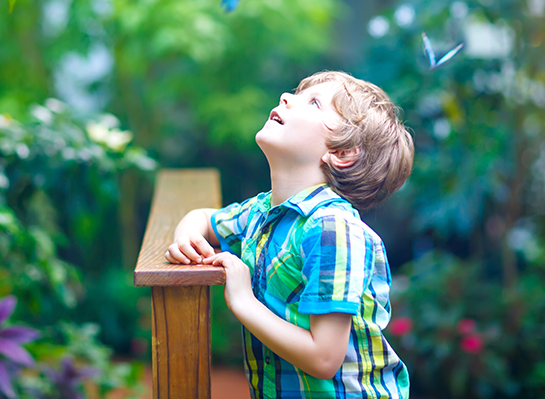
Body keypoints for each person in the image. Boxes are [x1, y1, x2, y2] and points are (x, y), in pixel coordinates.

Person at [165, 71, 414, 399]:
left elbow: (324, 358)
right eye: (296, 93)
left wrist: (243, 300)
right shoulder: (261, 212)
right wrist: (187, 240)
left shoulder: (332, 229)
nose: (285, 97)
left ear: (342, 153)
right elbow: (203, 219)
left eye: (313, 102)